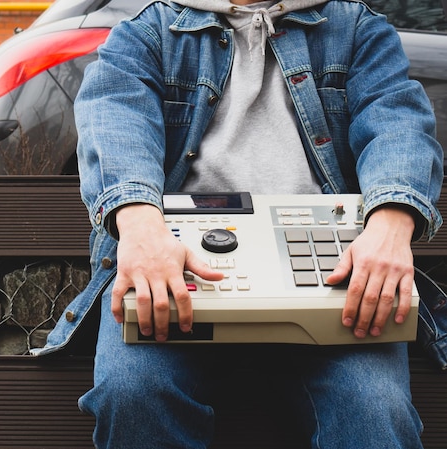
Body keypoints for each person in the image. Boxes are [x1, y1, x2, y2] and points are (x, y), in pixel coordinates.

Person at [32, 0, 444, 447]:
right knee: (134, 394)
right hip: (174, 265)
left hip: (332, 273)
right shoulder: (146, 32)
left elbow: (397, 121)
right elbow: (114, 118)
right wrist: (140, 225)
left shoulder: (357, 29)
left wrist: (390, 225)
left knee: (373, 409)